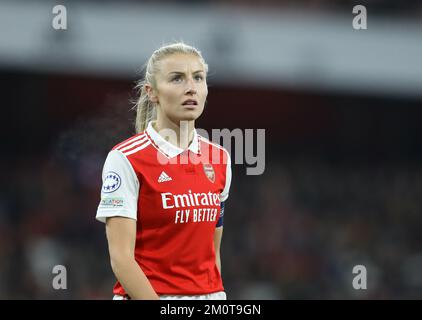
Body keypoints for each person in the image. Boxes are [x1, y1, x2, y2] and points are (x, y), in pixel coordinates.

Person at [96, 42, 232, 300]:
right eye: (177, 78)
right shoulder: (125, 159)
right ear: (152, 92)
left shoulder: (219, 159)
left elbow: (211, 254)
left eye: (198, 78)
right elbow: (121, 260)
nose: (191, 87)